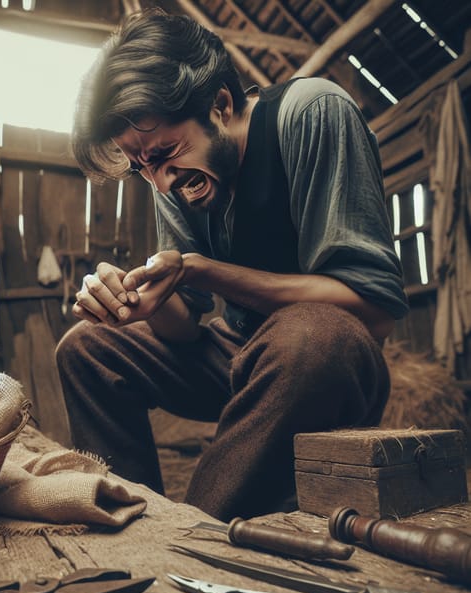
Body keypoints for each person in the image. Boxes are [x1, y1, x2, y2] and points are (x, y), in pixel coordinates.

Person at [55, 9, 408, 520]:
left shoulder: (311, 113)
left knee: (310, 337)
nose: (158, 182)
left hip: (322, 363)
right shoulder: (170, 171)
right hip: (239, 356)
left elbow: (374, 313)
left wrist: (203, 269)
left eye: (164, 154)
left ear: (220, 105)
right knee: (87, 347)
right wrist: (140, 301)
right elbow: (181, 330)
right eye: (141, 167)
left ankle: (190, 533)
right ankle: (130, 520)